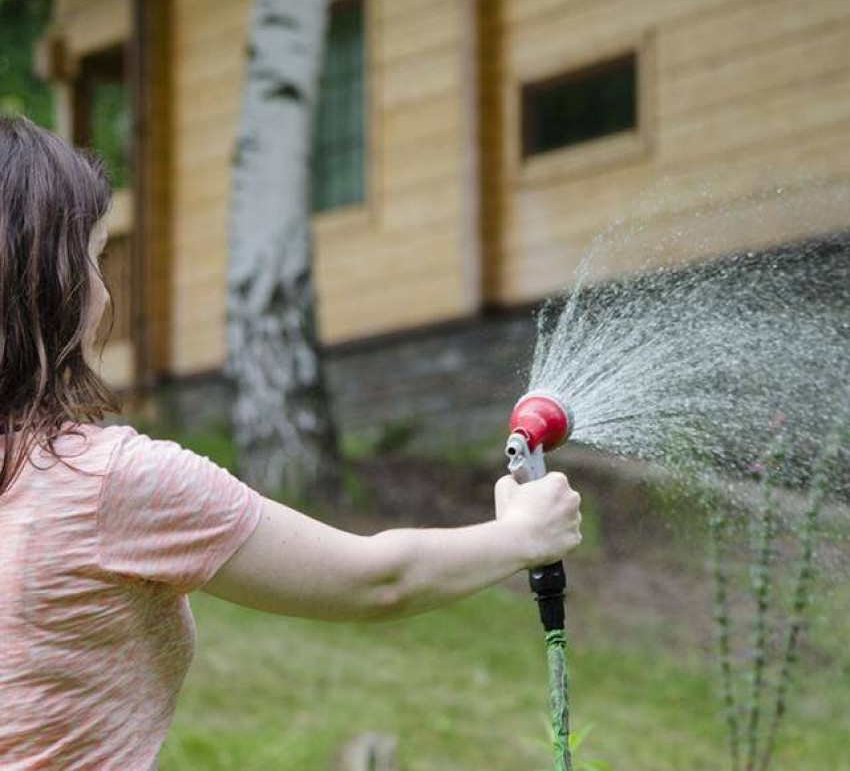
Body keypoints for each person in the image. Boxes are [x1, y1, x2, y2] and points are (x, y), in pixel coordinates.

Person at [0, 115, 582, 769]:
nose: (105, 295)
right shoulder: (108, 484)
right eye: (94, 260)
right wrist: (524, 536)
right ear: (51, 283)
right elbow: (374, 582)